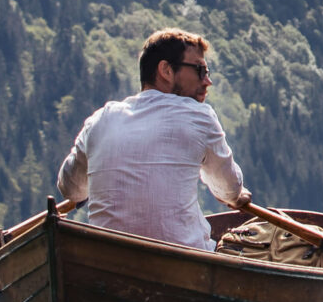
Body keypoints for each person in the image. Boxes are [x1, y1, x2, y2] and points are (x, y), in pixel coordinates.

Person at [57, 29, 254, 250]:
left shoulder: (100, 120)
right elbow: (227, 189)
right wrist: (237, 196)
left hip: (106, 259)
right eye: (200, 70)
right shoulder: (199, 116)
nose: (207, 81)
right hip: (183, 262)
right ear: (166, 70)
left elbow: (71, 190)